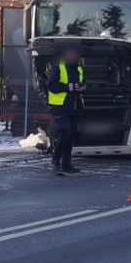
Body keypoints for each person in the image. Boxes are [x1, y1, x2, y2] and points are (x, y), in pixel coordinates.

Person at [47, 44, 87, 175]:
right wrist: (71, 87)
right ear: (66, 56)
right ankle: (55, 159)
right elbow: (52, 86)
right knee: (66, 132)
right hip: (60, 107)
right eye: (71, 54)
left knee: (71, 135)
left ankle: (66, 163)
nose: (73, 57)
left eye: (75, 55)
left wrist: (83, 87)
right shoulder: (58, 68)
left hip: (74, 107)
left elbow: (84, 83)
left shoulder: (79, 69)